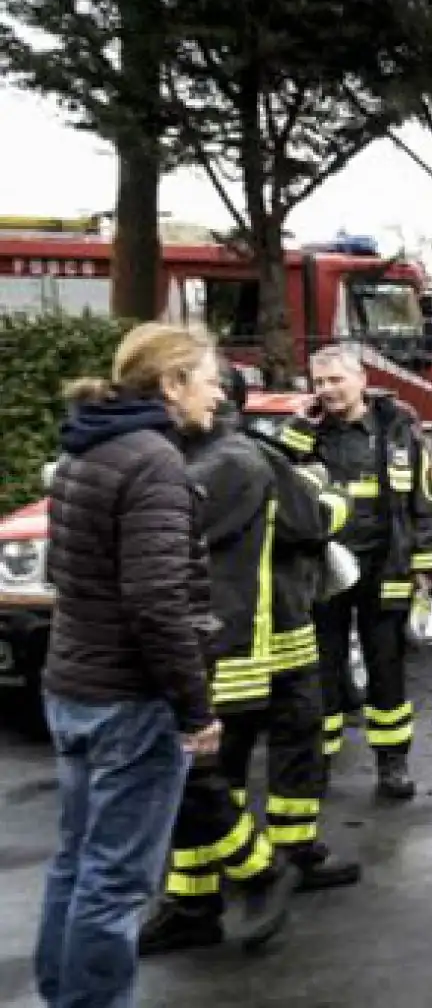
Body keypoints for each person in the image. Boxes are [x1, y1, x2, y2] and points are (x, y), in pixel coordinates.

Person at [138, 363, 363, 956]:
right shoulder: (241, 459)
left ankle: (197, 899)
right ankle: (265, 871)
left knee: (223, 775)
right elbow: (312, 523)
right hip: (254, 637)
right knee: (245, 769)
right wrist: (326, 493)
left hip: (233, 639)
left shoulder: (190, 460)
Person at [36, 322, 225, 1008]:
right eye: (209, 379)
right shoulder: (154, 461)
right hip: (129, 702)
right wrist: (195, 707)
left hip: (73, 688)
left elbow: (65, 571)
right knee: (114, 881)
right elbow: (155, 601)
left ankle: (64, 996)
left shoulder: (88, 448)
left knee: (76, 862)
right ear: (171, 384)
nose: (218, 394)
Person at [279, 347, 432, 799]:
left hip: (383, 567)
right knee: (325, 669)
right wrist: (296, 429)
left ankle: (392, 763)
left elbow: (423, 501)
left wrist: (428, 563)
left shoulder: (396, 430)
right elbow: (282, 485)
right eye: (319, 382)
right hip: (324, 569)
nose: (327, 389)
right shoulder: (306, 434)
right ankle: (320, 763)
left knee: (386, 666)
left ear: (360, 379)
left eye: (336, 380)